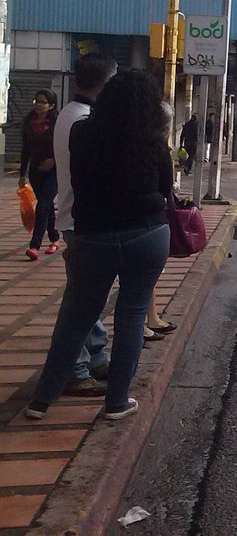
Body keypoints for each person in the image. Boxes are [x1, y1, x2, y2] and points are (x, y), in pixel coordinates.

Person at [24, 69, 173, 422]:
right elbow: (166, 187)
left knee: (76, 318)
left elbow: (77, 179)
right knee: (132, 316)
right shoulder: (151, 139)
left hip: (92, 236)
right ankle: (117, 402)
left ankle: (41, 401)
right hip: (146, 235)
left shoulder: (81, 132)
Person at [53, 54, 118, 398]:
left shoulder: (73, 114)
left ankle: (94, 356)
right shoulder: (82, 120)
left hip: (78, 218)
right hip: (81, 220)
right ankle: (73, 368)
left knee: (89, 297)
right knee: (79, 300)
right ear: (105, 84)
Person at [19, 90, 59, 261]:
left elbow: (65, 144)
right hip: (36, 171)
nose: (38, 104)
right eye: (36, 100)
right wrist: (22, 173)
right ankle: (55, 239)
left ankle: (34, 246)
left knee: (43, 204)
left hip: (54, 171)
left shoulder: (57, 123)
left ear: (51, 106)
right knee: (47, 205)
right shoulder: (29, 123)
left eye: (42, 102)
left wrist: (54, 160)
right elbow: (26, 149)